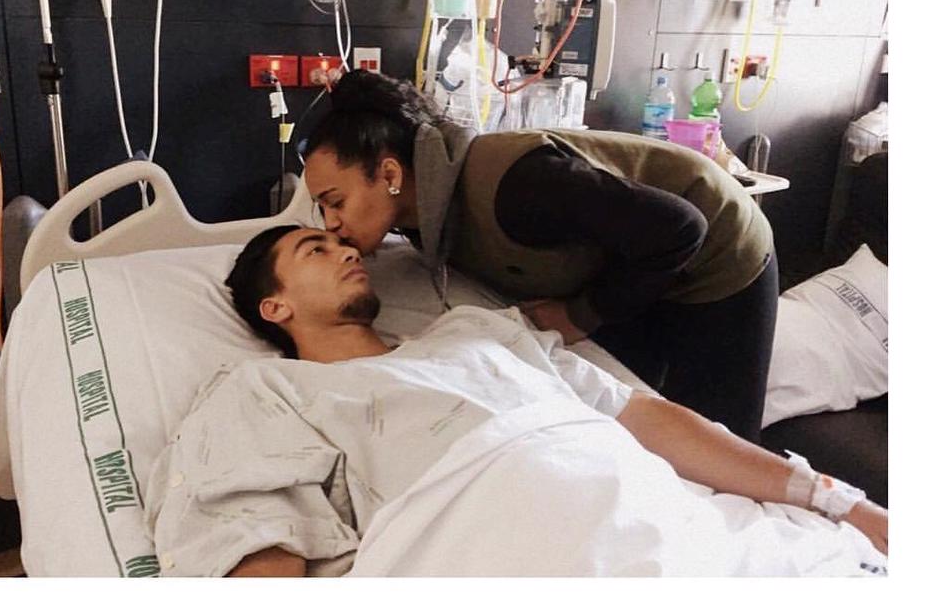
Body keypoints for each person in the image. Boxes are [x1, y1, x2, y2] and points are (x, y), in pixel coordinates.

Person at [143, 226, 887, 577]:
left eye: (343, 244)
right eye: (315, 250)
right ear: (274, 307)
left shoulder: (477, 331)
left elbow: (651, 421)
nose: (346, 249)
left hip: (680, 540)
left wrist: (835, 499)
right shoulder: (266, 390)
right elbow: (251, 539)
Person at [301, 69, 778, 442]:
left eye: (335, 202)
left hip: (717, 251)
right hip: (630, 266)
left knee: (720, 439)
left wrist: (579, 314)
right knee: (637, 427)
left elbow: (679, 227)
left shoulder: (516, 185)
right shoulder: (422, 216)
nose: (331, 223)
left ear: (390, 174)